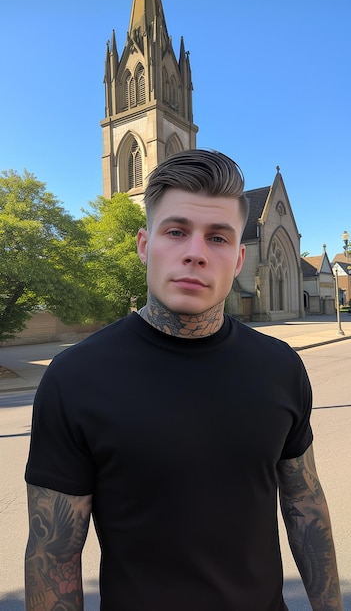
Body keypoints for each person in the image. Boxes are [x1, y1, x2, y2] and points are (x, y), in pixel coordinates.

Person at [25, 149, 343, 611]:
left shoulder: (280, 367)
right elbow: (52, 557)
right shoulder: (75, 379)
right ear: (143, 245)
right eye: (176, 232)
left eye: (217, 238)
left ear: (238, 260)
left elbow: (306, 510)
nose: (195, 253)